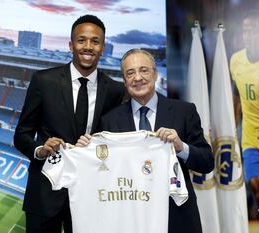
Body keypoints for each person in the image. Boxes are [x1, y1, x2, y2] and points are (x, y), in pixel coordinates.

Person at [77, 49, 214, 233]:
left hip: (177, 218)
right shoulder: (109, 120)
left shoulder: (184, 111)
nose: (137, 77)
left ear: (155, 74)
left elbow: (207, 162)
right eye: (130, 73)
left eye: (144, 70)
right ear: (124, 81)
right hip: (130, 219)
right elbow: (103, 172)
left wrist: (181, 147)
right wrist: (86, 152)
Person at [14, 15, 124, 233]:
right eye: (82, 40)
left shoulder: (115, 90)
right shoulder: (44, 81)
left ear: (103, 48)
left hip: (90, 197)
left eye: (95, 41)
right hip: (44, 195)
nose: (88, 46)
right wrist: (40, 150)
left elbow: (115, 143)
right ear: (71, 44)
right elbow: (21, 134)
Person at [230, 11, 259, 232]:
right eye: (245, 30)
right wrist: (229, 127)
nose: (248, 35)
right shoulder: (236, 60)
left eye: (253, 30)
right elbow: (236, 98)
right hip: (252, 142)